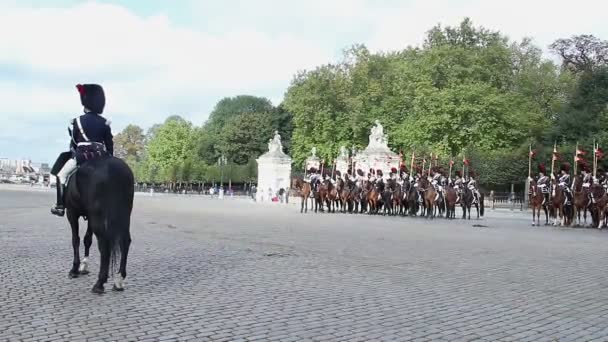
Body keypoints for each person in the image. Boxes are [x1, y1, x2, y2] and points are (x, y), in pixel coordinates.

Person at [50, 84, 113, 217]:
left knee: (61, 175)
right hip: (101, 157)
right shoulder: (105, 122)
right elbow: (109, 143)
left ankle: (60, 206)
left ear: (85, 103)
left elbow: (74, 141)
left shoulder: (77, 121)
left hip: (81, 156)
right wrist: (110, 159)